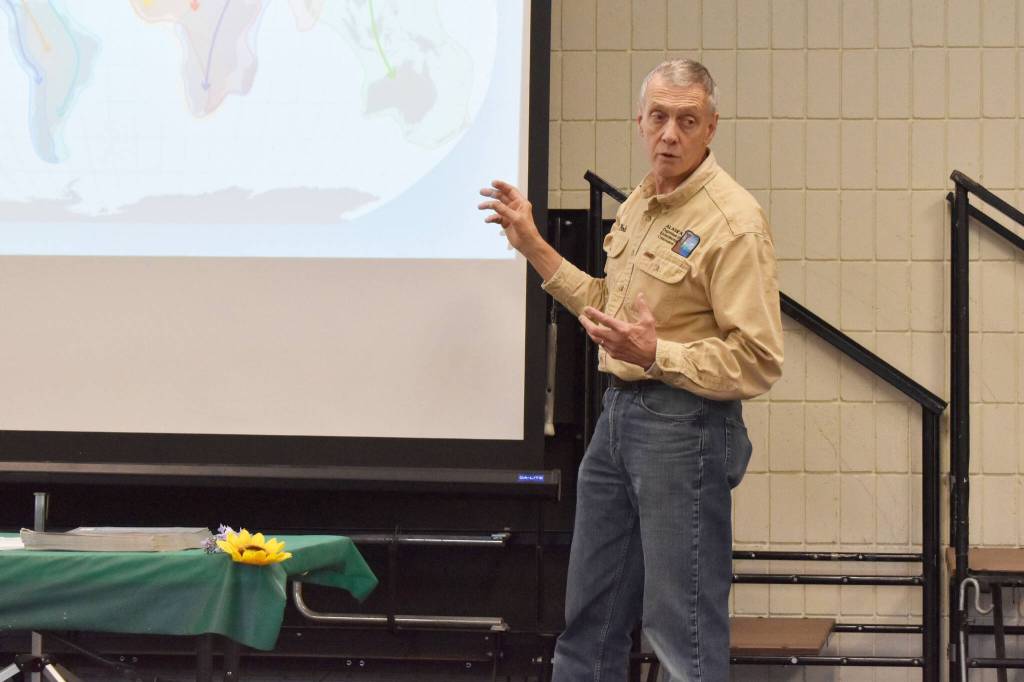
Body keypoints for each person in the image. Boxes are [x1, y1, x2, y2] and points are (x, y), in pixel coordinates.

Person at [479, 59, 783, 681]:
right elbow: (604, 305)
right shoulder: (641, 204)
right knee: (588, 619)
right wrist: (533, 243)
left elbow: (758, 358)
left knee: (680, 630)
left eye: (687, 120)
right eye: (660, 117)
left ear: (711, 128)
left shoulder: (732, 222)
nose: (670, 133)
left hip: (686, 427)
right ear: (640, 122)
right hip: (617, 418)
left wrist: (657, 355)